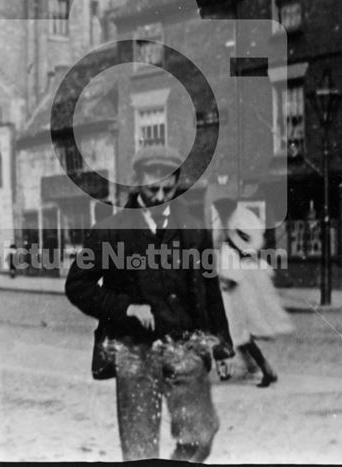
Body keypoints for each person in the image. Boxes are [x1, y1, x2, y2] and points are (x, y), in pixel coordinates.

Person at [65, 144, 234, 463]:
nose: (160, 195)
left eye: (167, 187)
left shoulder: (194, 228)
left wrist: (222, 347)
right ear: (136, 182)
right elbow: (77, 285)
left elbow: (209, 291)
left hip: (185, 348)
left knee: (201, 434)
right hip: (134, 351)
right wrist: (125, 308)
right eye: (152, 187)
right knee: (139, 446)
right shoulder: (110, 231)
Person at [212, 199, 293, 388]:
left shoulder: (233, 246)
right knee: (237, 334)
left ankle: (266, 369)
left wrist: (224, 280)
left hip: (235, 291)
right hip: (233, 288)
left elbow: (232, 274)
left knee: (239, 333)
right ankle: (254, 366)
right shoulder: (231, 242)